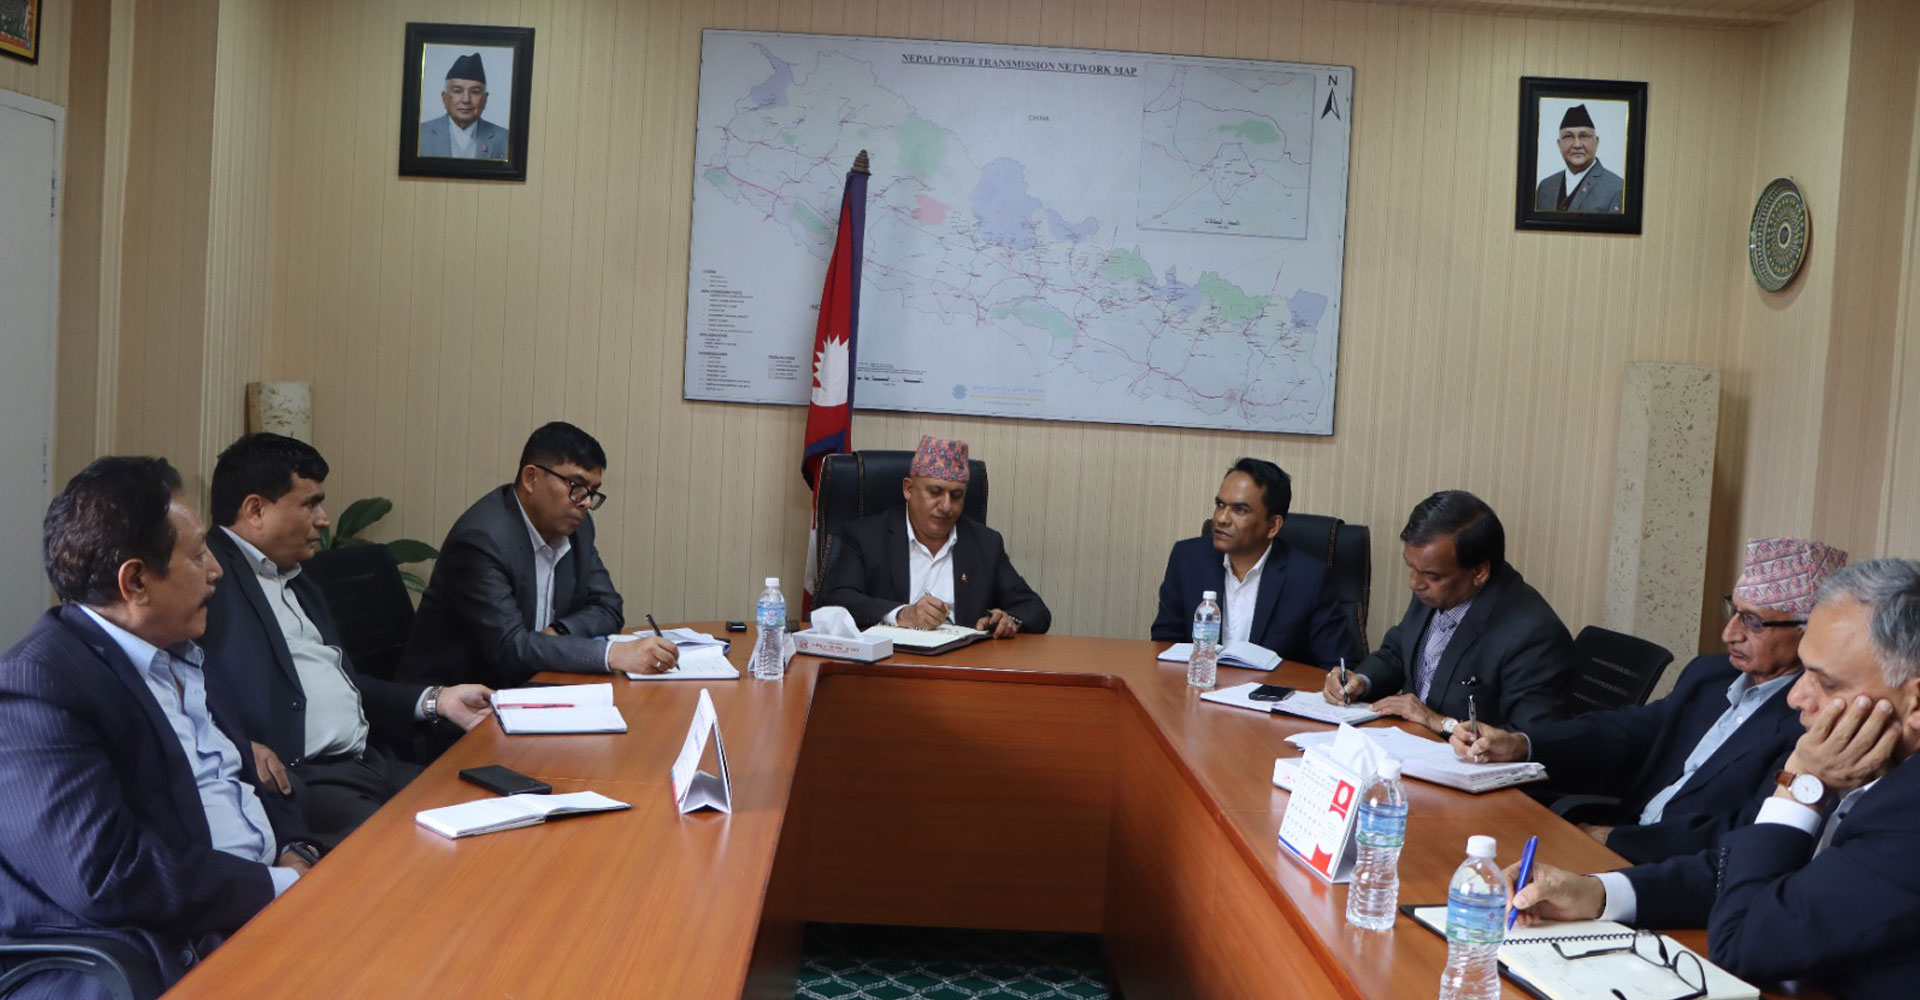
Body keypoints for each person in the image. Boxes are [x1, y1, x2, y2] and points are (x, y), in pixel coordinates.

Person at [1510, 559, 1920, 999]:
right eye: (1804, 672)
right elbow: (1741, 869)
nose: (1797, 697)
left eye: (1827, 683)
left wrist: (1799, 786)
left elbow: (1744, 942)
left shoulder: (1906, 815)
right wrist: (1595, 893)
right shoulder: (1866, 760)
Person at [0, 457, 320, 998]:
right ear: (136, 581)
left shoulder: (181, 648)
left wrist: (296, 850)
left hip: (260, 906)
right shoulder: (39, 686)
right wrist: (279, 884)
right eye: (196, 556)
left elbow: (249, 779)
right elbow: (107, 875)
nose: (216, 571)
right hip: (160, 952)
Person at [1451, 537, 1844, 863]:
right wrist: (1522, 744)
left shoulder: (1809, 721)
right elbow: (1627, 730)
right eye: (1733, 610)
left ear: (1808, 631)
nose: (1729, 633)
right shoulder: (1710, 675)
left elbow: (1744, 830)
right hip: (1614, 840)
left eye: (1753, 622)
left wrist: (1617, 839)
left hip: (1673, 871)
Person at [200, 433, 495, 847]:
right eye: (310, 504)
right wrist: (234, 744)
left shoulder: (298, 580)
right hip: (309, 780)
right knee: (420, 856)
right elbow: (175, 685)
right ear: (255, 510)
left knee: (496, 810)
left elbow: (346, 685)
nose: (323, 519)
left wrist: (437, 700)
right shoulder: (209, 577)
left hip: (370, 761)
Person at [399, 421, 677, 690]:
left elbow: (608, 607)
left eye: (592, 492)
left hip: (530, 686)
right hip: (457, 702)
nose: (585, 502)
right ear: (531, 478)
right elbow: (510, 650)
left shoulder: (577, 529)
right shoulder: (481, 541)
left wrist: (558, 632)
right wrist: (611, 654)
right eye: (577, 486)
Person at [1322, 490, 1574, 734]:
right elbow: (1397, 653)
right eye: (1411, 568)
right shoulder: (1436, 587)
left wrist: (1440, 722)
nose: (1414, 583)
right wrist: (1360, 681)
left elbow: (1532, 740)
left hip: (1458, 758)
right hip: (1403, 741)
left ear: (1479, 572)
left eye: (1430, 575)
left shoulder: (1534, 635)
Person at [817, 435, 1050, 635]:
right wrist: (902, 615)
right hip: (889, 661)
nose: (946, 506)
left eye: (956, 496)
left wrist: (1009, 620)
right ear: (908, 489)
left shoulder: (985, 543)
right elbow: (836, 600)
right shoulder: (866, 537)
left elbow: (1035, 609)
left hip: (962, 664)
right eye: (935, 492)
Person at [1151, 458, 1360, 667]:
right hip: (1198, 684)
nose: (1222, 519)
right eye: (1220, 505)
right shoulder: (1187, 559)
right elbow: (1165, 644)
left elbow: (1338, 665)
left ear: (1273, 526)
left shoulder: (1308, 578)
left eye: (1240, 510)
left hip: (1272, 687)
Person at [1533, 104, 1624, 213]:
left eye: (1584, 136)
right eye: (1568, 137)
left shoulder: (1617, 188)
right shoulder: (1546, 187)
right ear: (1559, 144)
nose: (1577, 145)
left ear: (1596, 142)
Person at [418, 52, 509, 159]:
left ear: (485, 99)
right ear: (444, 97)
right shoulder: (420, 135)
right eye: (458, 91)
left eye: (475, 92)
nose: (466, 100)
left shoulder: (505, 139)